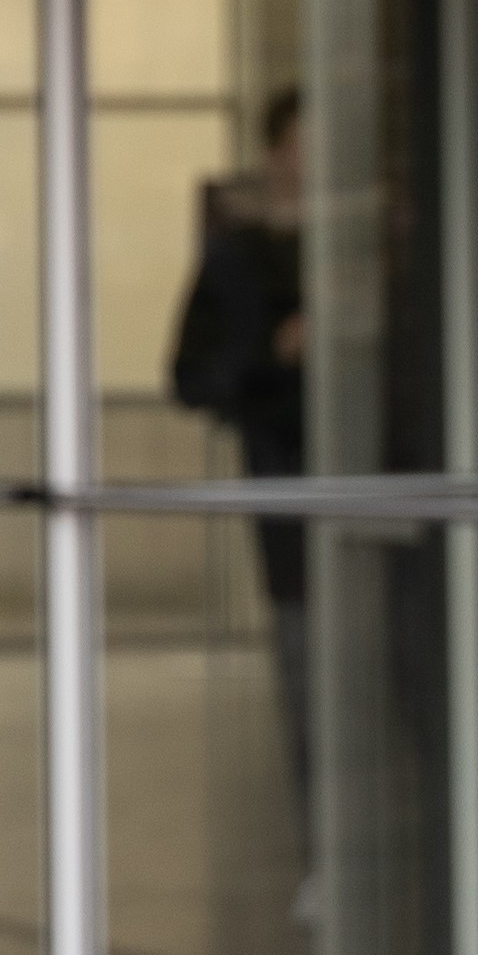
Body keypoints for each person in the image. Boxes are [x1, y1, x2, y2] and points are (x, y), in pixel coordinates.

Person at [167, 86, 319, 843]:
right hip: (291, 510)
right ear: (276, 155)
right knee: (310, 686)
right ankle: (325, 850)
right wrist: (273, 352)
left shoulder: (386, 243)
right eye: (309, 145)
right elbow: (191, 379)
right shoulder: (238, 259)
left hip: (399, 509)